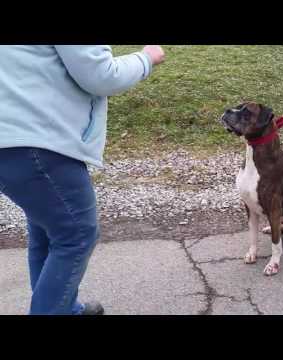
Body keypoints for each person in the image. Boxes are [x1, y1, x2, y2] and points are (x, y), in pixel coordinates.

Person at [0, 45, 165, 314]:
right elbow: (101, 76)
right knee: (75, 235)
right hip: (40, 141)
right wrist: (146, 58)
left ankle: (63, 307)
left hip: (11, 139)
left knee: (47, 227)